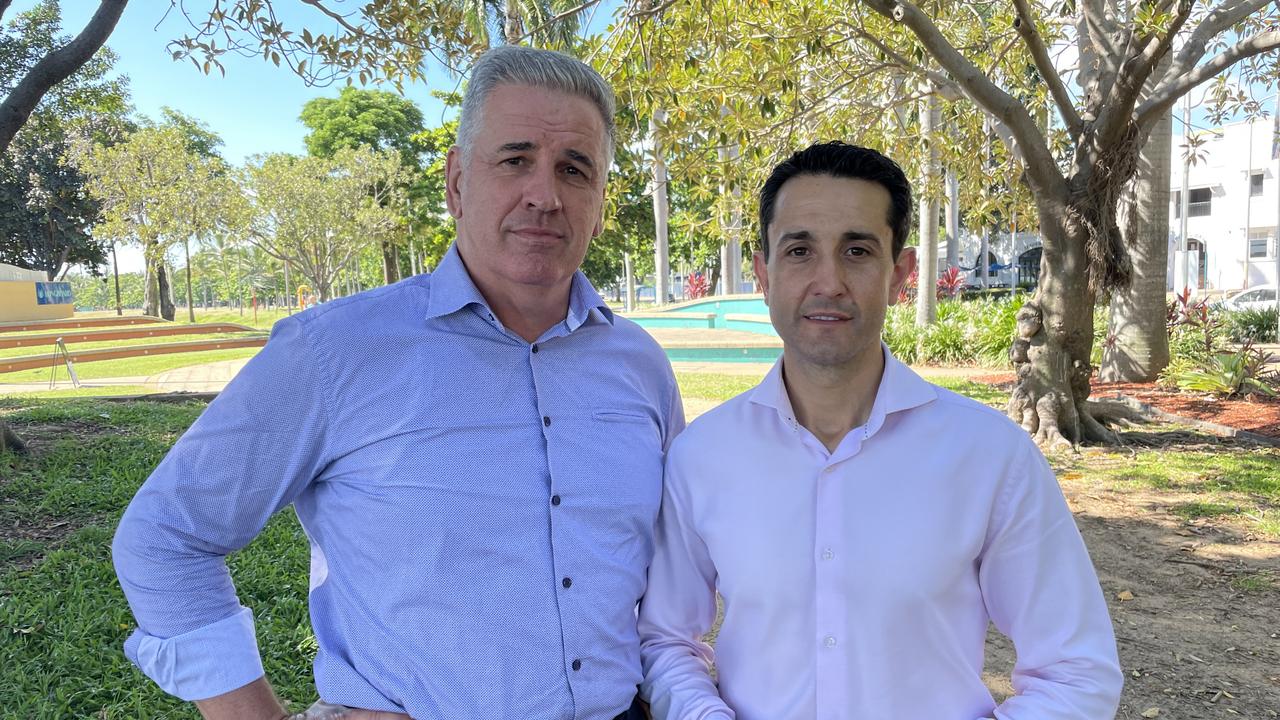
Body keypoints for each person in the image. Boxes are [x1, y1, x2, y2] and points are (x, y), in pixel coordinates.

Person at [113, 46, 683, 720]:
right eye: (515, 159)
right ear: (456, 182)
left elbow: (677, 575)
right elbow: (164, 536)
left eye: (574, 169)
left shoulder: (640, 366)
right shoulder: (333, 353)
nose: (544, 194)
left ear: (599, 200)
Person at [637, 142, 1123, 719]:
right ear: (764, 274)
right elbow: (665, 641)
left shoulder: (991, 458)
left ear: (900, 272)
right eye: (799, 251)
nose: (828, 281)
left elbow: (1076, 670)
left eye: (858, 250)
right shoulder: (704, 456)